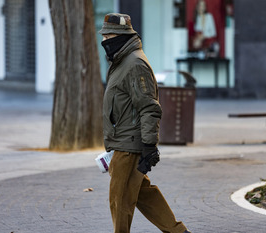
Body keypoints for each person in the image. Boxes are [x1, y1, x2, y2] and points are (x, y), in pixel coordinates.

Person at [99, 13, 191, 233]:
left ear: (120, 37)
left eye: (108, 35)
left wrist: (149, 145)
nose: (104, 41)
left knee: (119, 201)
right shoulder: (122, 60)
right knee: (143, 194)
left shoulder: (135, 63)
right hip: (123, 142)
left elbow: (149, 107)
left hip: (128, 146)